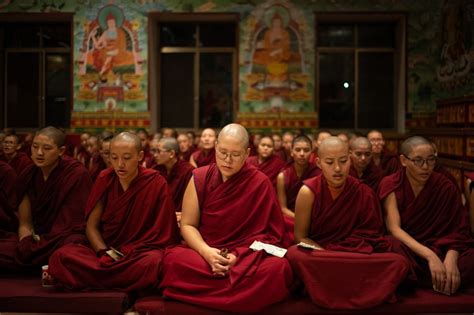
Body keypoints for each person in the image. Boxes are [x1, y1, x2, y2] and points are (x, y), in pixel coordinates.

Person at [160, 123, 292, 312]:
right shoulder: (199, 177)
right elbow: (188, 225)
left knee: (278, 268)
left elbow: (272, 236)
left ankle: (202, 295)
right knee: (172, 259)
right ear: (215, 147)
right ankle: (240, 297)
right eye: (222, 152)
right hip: (204, 252)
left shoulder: (260, 183)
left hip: (244, 255)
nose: (227, 160)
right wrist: (207, 253)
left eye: (236, 155)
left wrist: (238, 257)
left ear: (247, 154)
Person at [287, 137, 409, 309]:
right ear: (319, 163)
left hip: (353, 255)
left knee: (398, 260)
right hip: (322, 254)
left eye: (343, 161)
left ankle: (331, 282)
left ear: (350, 160)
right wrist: (326, 254)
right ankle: (358, 286)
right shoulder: (308, 192)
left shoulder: (363, 192)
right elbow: (301, 237)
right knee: (294, 253)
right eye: (330, 162)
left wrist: (340, 254)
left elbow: (372, 235)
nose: (337, 169)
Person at [49, 132, 180, 292]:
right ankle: (122, 281)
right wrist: (103, 252)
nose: (119, 164)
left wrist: (130, 252)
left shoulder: (155, 182)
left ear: (140, 156)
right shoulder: (105, 178)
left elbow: (163, 233)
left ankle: (98, 279)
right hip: (107, 250)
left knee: (154, 262)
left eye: (126, 158)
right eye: (114, 157)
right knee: (61, 256)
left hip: (139, 253)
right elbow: (91, 227)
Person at [379, 136, 474, 295]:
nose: (426, 167)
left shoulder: (445, 186)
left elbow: (459, 230)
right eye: (418, 160)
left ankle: (422, 279)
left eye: (431, 160)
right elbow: (393, 229)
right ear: (403, 160)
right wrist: (430, 256)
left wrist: (451, 259)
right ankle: (440, 280)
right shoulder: (391, 184)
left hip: (441, 248)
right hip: (411, 251)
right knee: (392, 247)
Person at [0, 127, 92, 272]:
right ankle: (43, 263)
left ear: (61, 151)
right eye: (35, 147)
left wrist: (37, 248)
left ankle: (36, 263)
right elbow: (25, 223)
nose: (39, 153)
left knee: (72, 246)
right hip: (36, 240)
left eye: (47, 148)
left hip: (61, 239)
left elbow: (72, 224)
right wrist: (26, 245)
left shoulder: (76, 174)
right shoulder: (28, 175)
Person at [277, 135, 320, 239]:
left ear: (312, 152)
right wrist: (300, 220)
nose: (302, 154)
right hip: (292, 217)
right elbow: (283, 208)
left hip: (313, 218)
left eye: (306, 150)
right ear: (291, 152)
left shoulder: (318, 174)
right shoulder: (282, 176)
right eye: (298, 150)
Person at [152, 137, 194, 224]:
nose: (155, 155)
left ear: (171, 153)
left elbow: (193, 200)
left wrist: (184, 214)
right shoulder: (156, 170)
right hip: (160, 215)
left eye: (159, 151)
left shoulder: (187, 171)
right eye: (155, 151)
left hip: (180, 217)